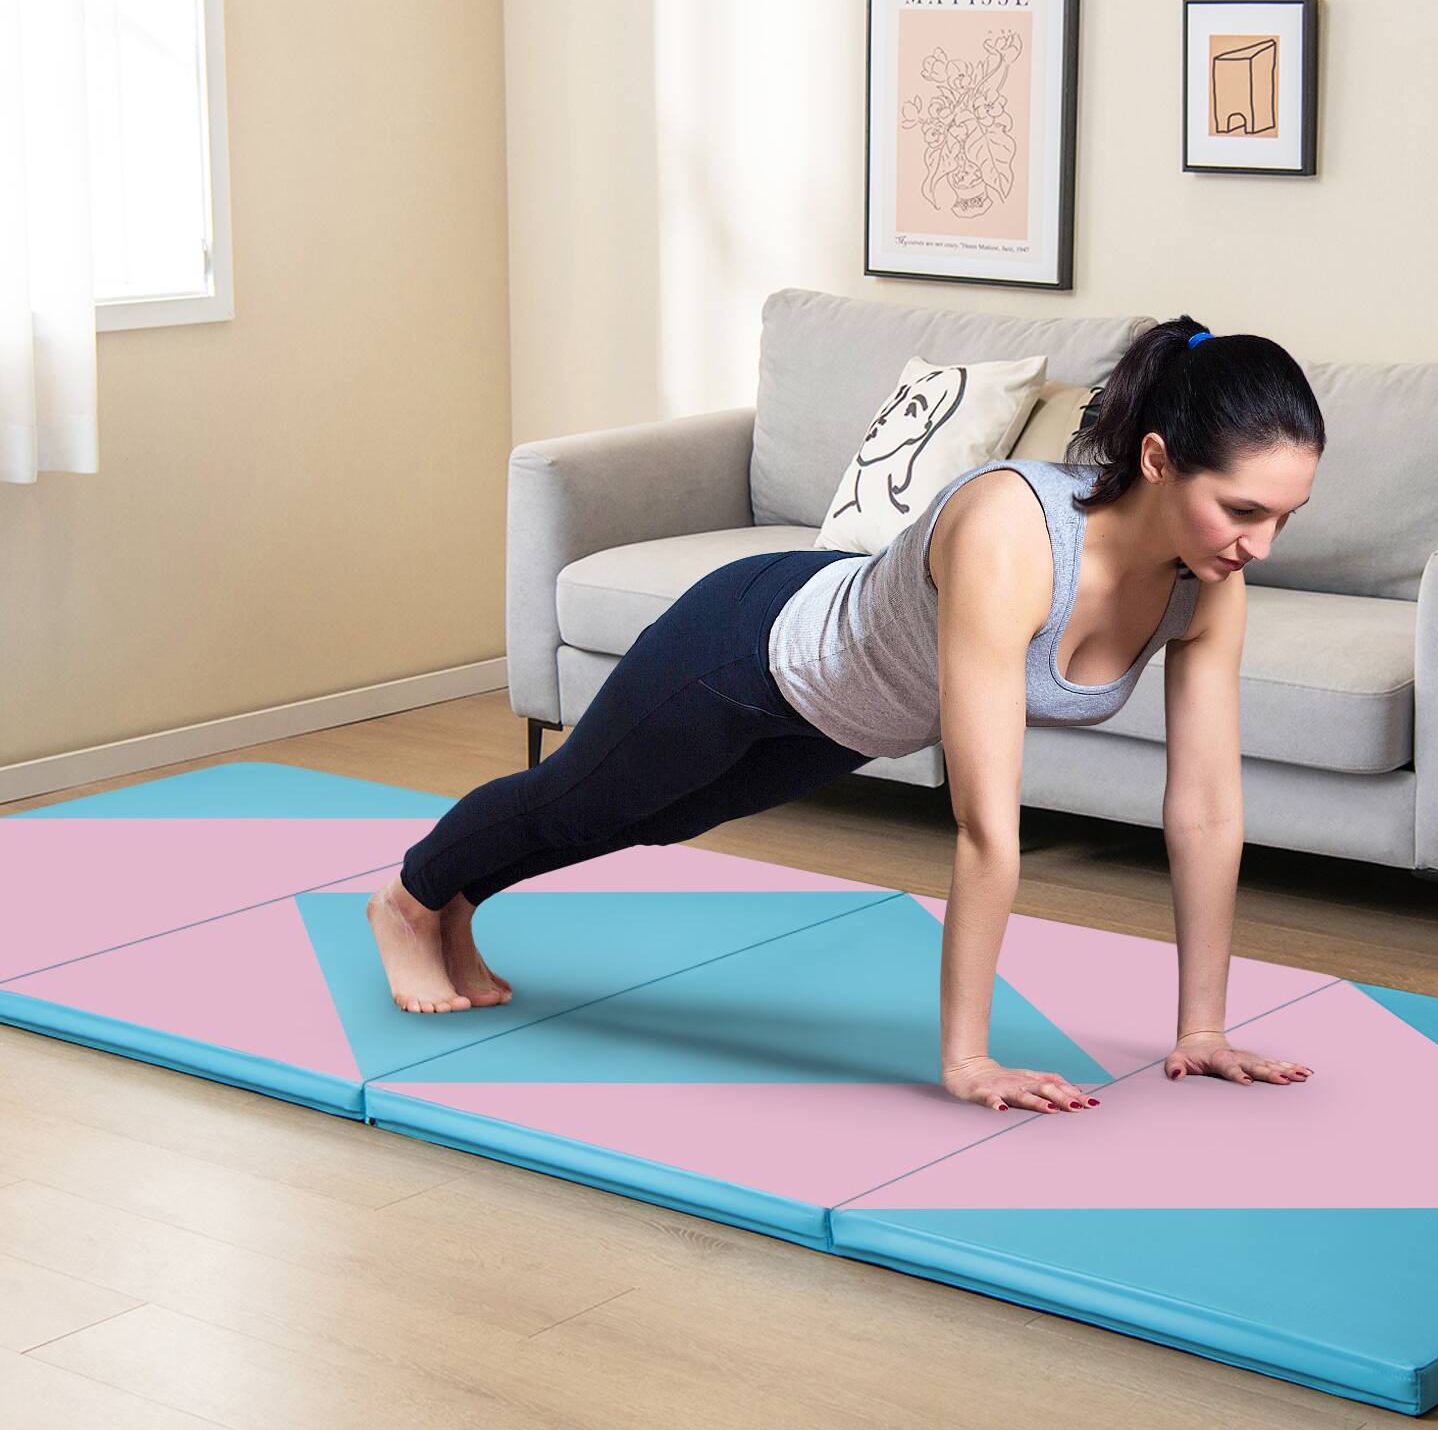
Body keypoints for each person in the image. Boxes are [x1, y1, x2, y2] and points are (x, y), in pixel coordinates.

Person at [366, 315, 1325, 1114]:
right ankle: (409, 899)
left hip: (842, 721)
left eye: (1284, 517)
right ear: (1157, 459)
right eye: (1243, 510)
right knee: (581, 794)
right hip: (747, 648)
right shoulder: (1014, 536)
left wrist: (1203, 1029)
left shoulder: (1208, 586)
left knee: (643, 820)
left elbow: (1203, 810)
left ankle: (461, 899)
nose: (1262, 545)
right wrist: (969, 1061)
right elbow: (987, 827)